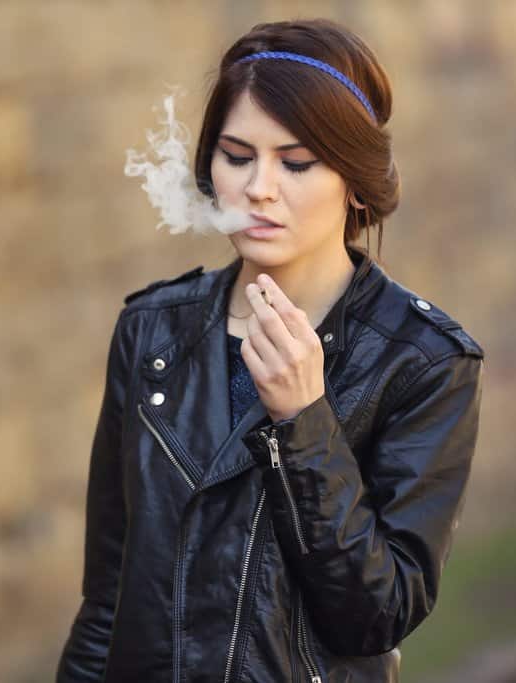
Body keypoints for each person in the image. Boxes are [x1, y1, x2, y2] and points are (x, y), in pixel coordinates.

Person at [56, 17, 485, 683]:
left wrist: (306, 423)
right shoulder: (150, 333)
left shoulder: (423, 363)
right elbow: (108, 601)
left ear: (354, 178)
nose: (259, 187)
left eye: (296, 162)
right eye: (236, 156)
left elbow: (377, 614)